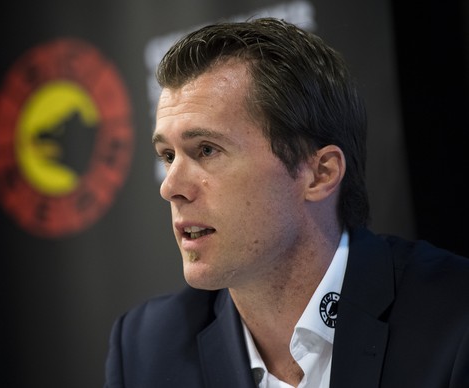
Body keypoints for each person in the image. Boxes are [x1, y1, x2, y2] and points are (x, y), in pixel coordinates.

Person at [104, 17, 469, 388]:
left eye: (207, 150)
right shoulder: (145, 349)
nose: (170, 187)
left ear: (320, 173)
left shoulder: (455, 320)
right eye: (168, 156)